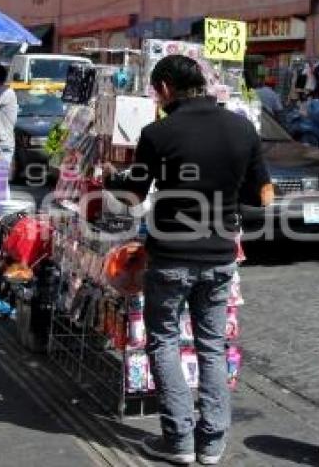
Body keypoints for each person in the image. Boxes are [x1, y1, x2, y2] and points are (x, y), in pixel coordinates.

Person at [106, 55, 272, 465]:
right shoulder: (241, 127)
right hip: (219, 255)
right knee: (212, 346)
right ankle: (211, 444)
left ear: (164, 89)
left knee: (163, 341)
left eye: (153, 91)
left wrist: (113, 179)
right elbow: (264, 196)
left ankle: (178, 440)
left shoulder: (158, 133)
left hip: (171, 255)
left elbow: (133, 198)